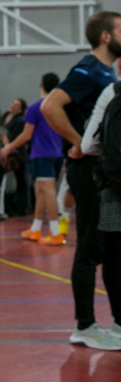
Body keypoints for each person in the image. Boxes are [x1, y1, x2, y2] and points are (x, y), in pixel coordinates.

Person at [42, 11, 121, 351]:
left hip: (104, 173)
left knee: (112, 245)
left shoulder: (107, 73)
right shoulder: (88, 70)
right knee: (90, 245)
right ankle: (85, 325)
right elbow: (51, 106)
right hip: (87, 171)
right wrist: (79, 143)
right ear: (106, 36)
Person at [80, 79, 121, 350]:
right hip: (114, 191)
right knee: (113, 257)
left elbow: (88, 145)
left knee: (114, 257)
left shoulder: (113, 98)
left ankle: (118, 322)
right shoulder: (114, 98)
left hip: (112, 190)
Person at [1, 74, 64, 244]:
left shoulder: (35, 108)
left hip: (42, 154)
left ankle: (55, 231)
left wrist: (9, 146)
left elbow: (26, 135)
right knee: (40, 191)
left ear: (40, 85)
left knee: (48, 192)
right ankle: (36, 228)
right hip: (57, 153)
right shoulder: (60, 106)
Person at [3, 98, 29, 215]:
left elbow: (13, 136)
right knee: (14, 182)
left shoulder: (19, 120)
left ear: (21, 109)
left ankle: (21, 207)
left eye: (16, 105)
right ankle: (10, 205)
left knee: (21, 182)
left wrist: (8, 147)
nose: (13, 106)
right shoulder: (8, 117)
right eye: (13, 103)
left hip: (16, 155)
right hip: (10, 152)